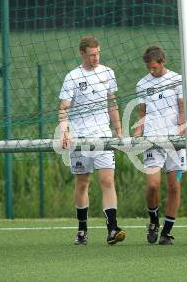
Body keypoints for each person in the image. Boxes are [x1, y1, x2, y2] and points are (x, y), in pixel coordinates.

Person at [58, 36, 125, 245]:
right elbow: (63, 109)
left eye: (98, 53)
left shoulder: (107, 73)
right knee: (83, 182)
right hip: (80, 138)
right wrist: (65, 131)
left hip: (103, 136)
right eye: (92, 54)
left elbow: (111, 103)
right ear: (82, 54)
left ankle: (112, 228)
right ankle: (82, 229)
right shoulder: (72, 77)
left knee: (107, 180)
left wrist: (118, 129)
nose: (96, 58)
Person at [133, 46, 186, 245]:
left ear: (162, 62)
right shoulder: (142, 84)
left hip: (174, 141)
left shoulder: (177, 80)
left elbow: (182, 109)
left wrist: (181, 134)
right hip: (152, 140)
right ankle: (154, 220)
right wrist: (137, 133)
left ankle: (167, 232)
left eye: (154, 68)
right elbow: (142, 114)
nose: (151, 71)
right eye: (149, 68)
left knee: (174, 186)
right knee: (153, 185)